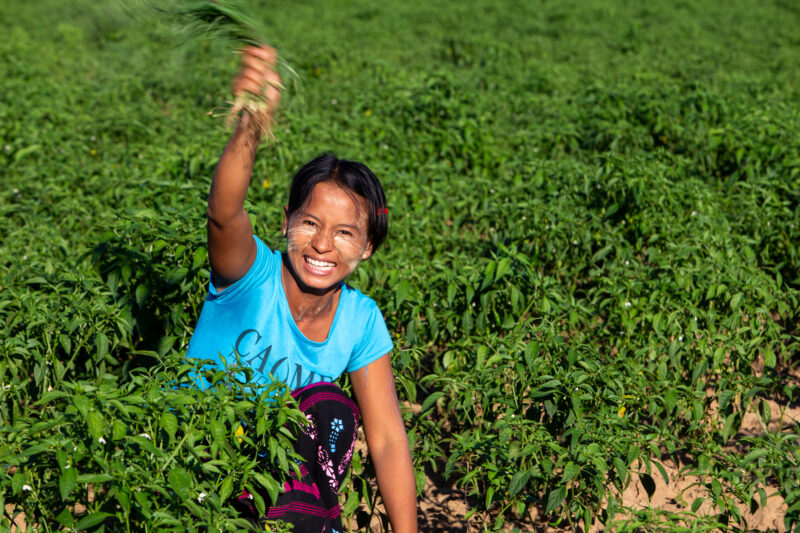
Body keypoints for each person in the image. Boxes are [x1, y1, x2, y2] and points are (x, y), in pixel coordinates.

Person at [185, 45, 418, 533]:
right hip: (192, 459)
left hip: (269, 487)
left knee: (326, 408)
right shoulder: (251, 277)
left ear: (368, 247)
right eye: (310, 223)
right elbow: (224, 213)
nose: (322, 245)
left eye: (345, 233)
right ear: (286, 222)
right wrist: (251, 123)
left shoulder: (359, 320)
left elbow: (387, 439)